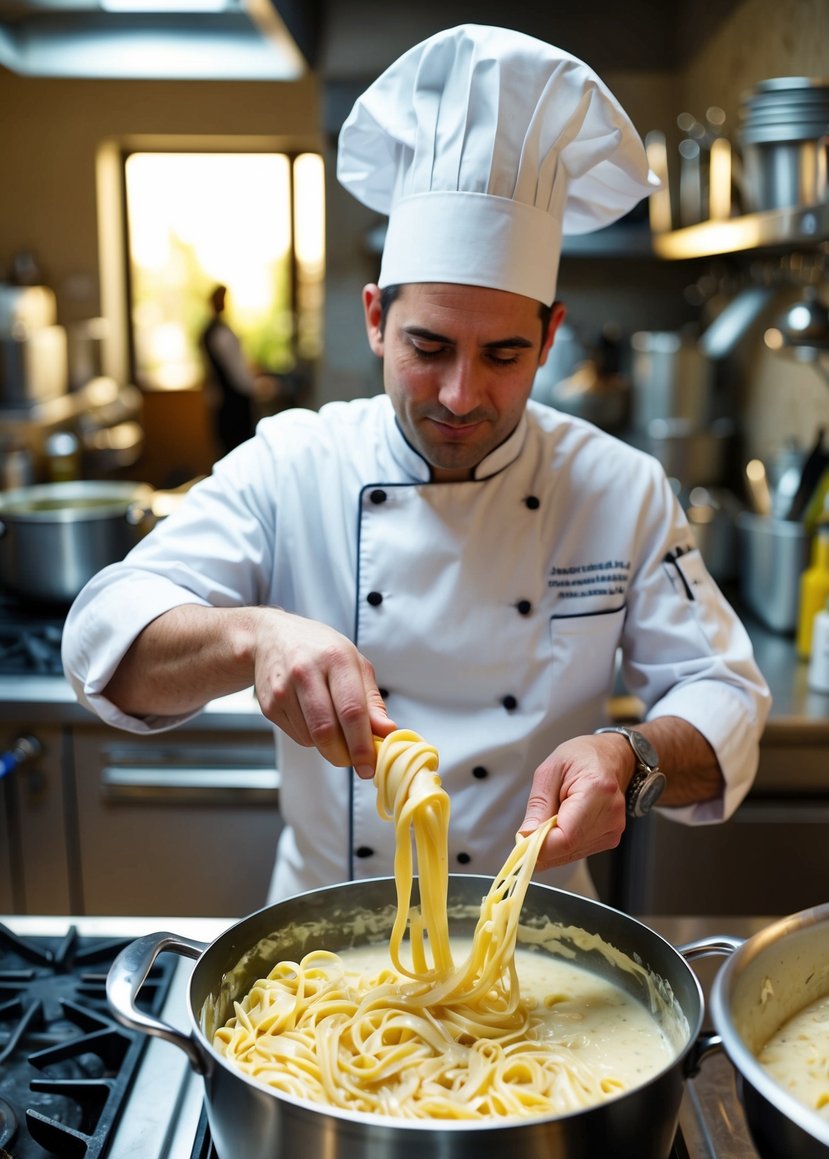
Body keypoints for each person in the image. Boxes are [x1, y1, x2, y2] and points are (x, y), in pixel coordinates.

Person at [62, 25, 770, 905]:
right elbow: (104, 636)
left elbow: (726, 701)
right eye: (426, 346)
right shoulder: (296, 461)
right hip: (320, 934)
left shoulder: (617, 487)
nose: (461, 394)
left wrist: (631, 762)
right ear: (373, 319)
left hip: (542, 939)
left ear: (550, 337)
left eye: (504, 355)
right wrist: (256, 636)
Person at [200, 284, 257, 455]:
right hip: (233, 402)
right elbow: (236, 373)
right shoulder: (220, 333)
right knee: (237, 450)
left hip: (223, 400)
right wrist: (255, 387)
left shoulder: (211, 332)